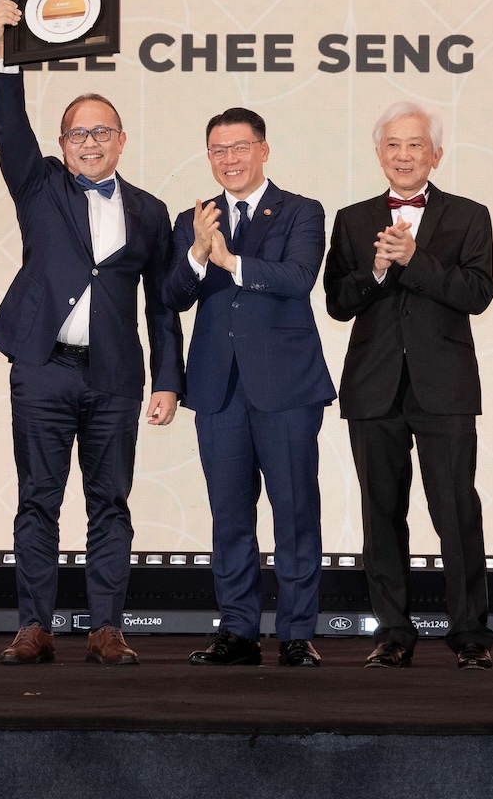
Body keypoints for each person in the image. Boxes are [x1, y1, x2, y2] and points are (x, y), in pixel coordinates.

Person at [0, 0, 184, 666]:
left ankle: (106, 629)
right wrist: (7, 51)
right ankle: (33, 627)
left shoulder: (151, 211)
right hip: (43, 367)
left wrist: (169, 381)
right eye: (77, 133)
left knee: (111, 504)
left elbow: (162, 305)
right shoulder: (39, 185)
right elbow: (10, 128)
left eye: (101, 132)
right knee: (37, 500)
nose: (89, 142)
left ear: (121, 140)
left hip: (115, 379)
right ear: (63, 143)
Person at [324, 102, 493, 670]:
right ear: (379, 154)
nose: (404, 155)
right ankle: (393, 633)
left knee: (456, 511)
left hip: (444, 386)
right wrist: (377, 271)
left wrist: (415, 260)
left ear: (436, 154)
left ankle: (470, 634)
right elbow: (337, 302)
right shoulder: (351, 219)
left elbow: (477, 294)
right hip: (373, 387)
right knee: (381, 516)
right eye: (393, 145)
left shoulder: (469, 215)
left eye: (415, 144)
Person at [166, 108, 335, 668]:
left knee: (295, 511)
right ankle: (237, 629)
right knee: (229, 515)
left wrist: (231, 261)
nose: (229, 159)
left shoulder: (302, 211)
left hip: (286, 386)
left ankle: (296, 632)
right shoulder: (193, 221)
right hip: (218, 387)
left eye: (240, 147)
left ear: (263, 150)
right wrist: (197, 254)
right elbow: (173, 295)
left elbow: (299, 277)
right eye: (218, 150)